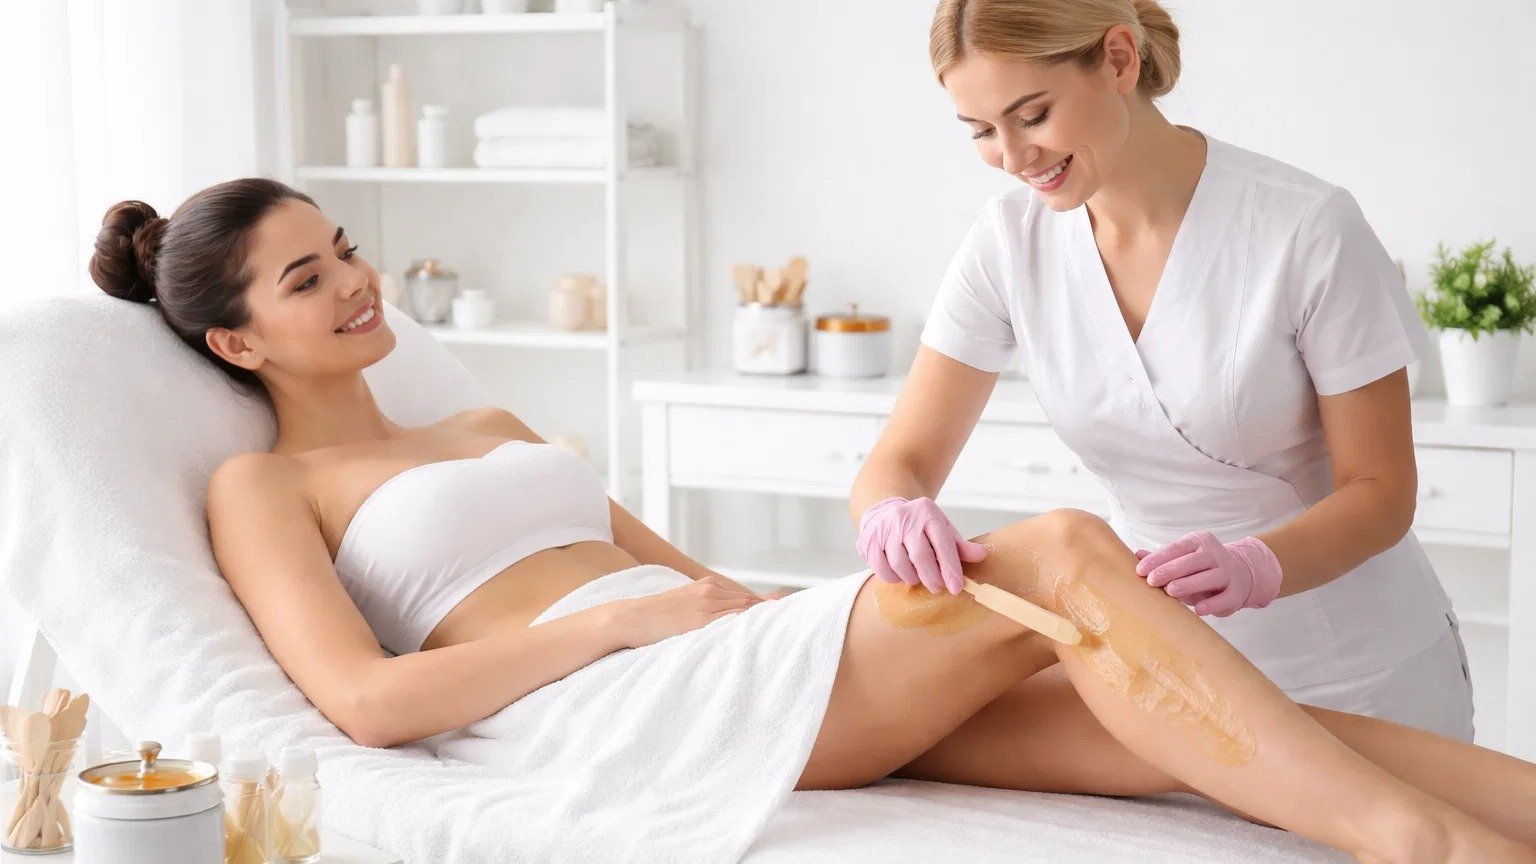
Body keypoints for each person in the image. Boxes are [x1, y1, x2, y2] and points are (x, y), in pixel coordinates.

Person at [88, 179, 1535, 863]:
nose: (354, 282)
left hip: (718, 657)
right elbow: (366, 701)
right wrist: (621, 629)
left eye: (343, 248)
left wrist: (787, 615)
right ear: (237, 343)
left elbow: (694, 581)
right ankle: (1424, 847)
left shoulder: (486, 427)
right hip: (606, 698)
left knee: (1160, 709)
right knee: (1060, 551)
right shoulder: (261, 486)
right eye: (304, 281)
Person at [852, 0, 1473, 741]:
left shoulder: (1305, 229)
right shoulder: (1008, 245)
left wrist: (1256, 565)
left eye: (1033, 116)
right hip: (1161, 675)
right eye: (982, 131)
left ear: (1119, 59)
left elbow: (1382, 492)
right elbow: (899, 460)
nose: (1014, 159)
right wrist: (891, 512)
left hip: (1352, 672)